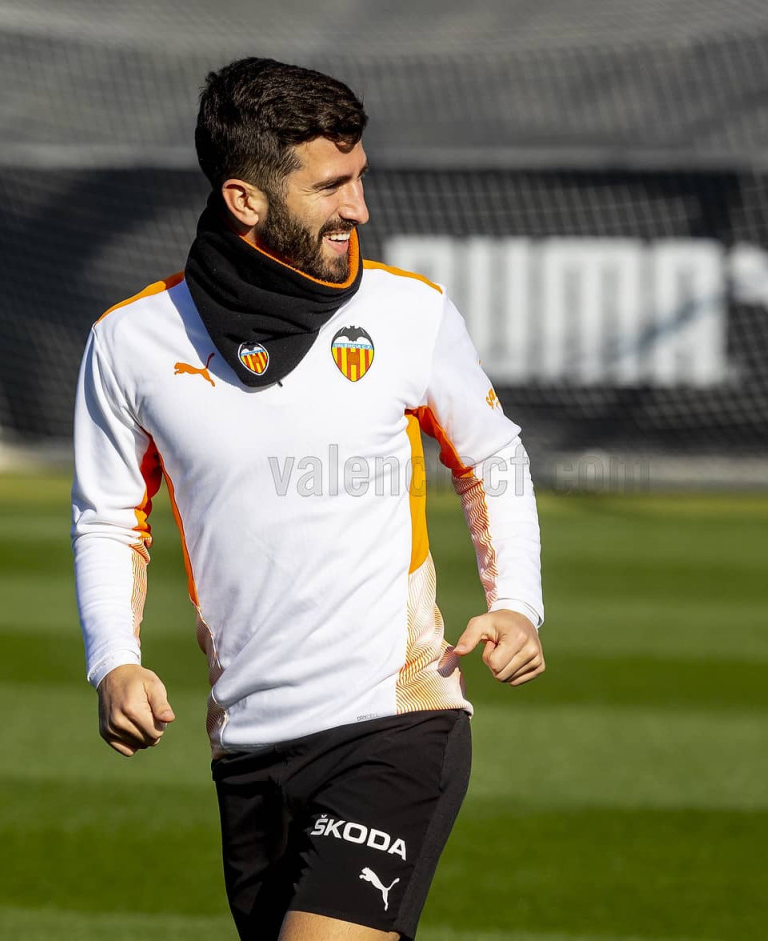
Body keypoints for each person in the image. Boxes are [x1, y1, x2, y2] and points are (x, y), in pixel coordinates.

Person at [71, 57, 544, 941]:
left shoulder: (409, 312)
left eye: (359, 176)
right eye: (332, 186)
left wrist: (516, 601)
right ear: (245, 199)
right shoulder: (129, 342)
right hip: (248, 747)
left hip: (397, 722)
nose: (359, 206)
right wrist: (114, 661)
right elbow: (107, 517)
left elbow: (492, 458)